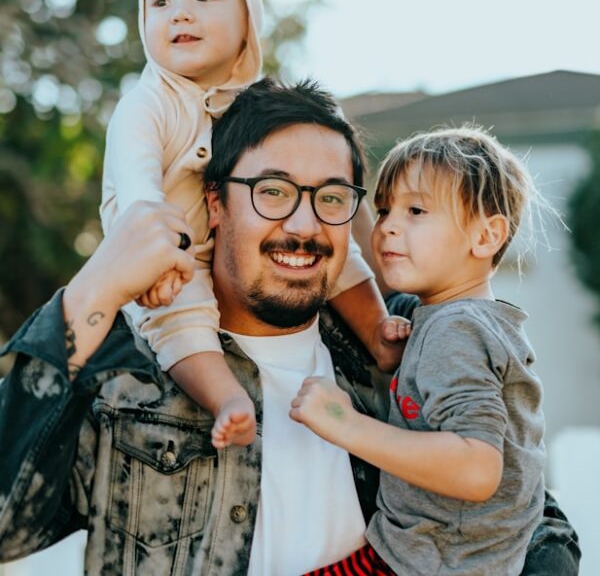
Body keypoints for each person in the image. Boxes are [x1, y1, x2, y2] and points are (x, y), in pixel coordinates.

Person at [0, 80, 579, 575]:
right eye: (272, 192)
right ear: (215, 203)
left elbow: (529, 514)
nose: (303, 225)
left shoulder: (399, 340)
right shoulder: (125, 367)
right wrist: (92, 290)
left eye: (331, 197)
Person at [100, 0, 404, 450]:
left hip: (217, 247)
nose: (180, 14)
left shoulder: (254, 107)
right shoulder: (147, 104)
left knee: (335, 246)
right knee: (180, 318)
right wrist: (155, 260)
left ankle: (377, 332)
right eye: (161, 2)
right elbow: (138, 192)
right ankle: (226, 398)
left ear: (248, 22)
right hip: (164, 256)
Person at [291, 125, 560, 575]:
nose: (388, 226)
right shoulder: (464, 321)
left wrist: (344, 423)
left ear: (486, 236)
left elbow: (476, 468)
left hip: (428, 562)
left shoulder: (455, 330)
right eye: (383, 210)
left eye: (416, 210)